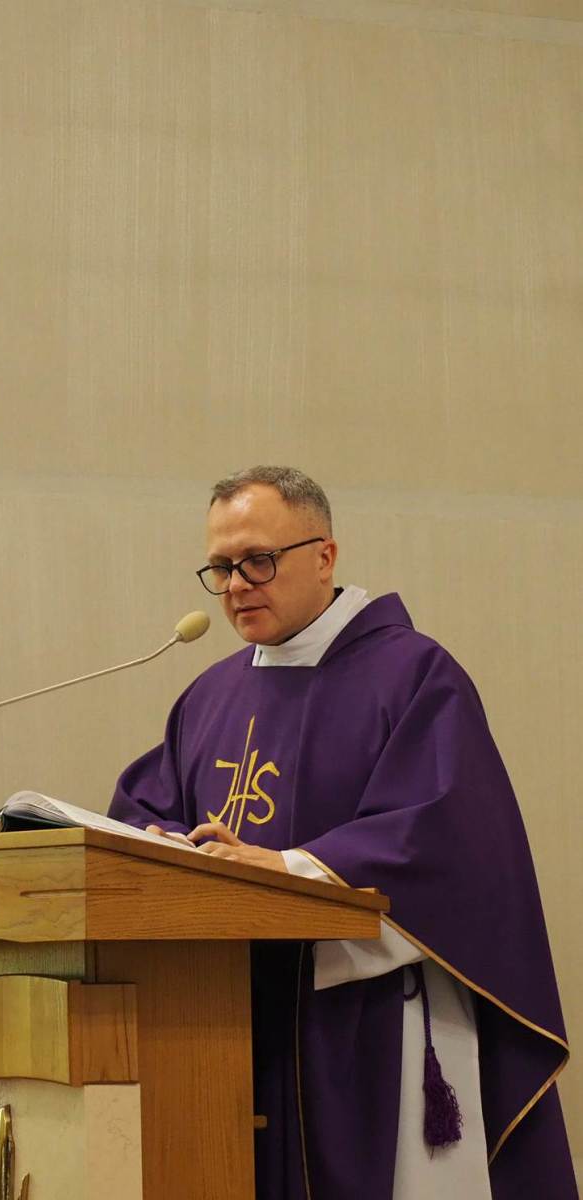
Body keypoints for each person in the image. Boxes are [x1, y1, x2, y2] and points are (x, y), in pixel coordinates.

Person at [109, 466, 575, 1200]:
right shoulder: (210, 695)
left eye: (258, 561)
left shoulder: (412, 674)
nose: (236, 586)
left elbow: (445, 840)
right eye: (221, 567)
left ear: (324, 555)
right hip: (226, 1018)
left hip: (371, 1020)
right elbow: (142, 812)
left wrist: (287, 868)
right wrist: (176, 851)